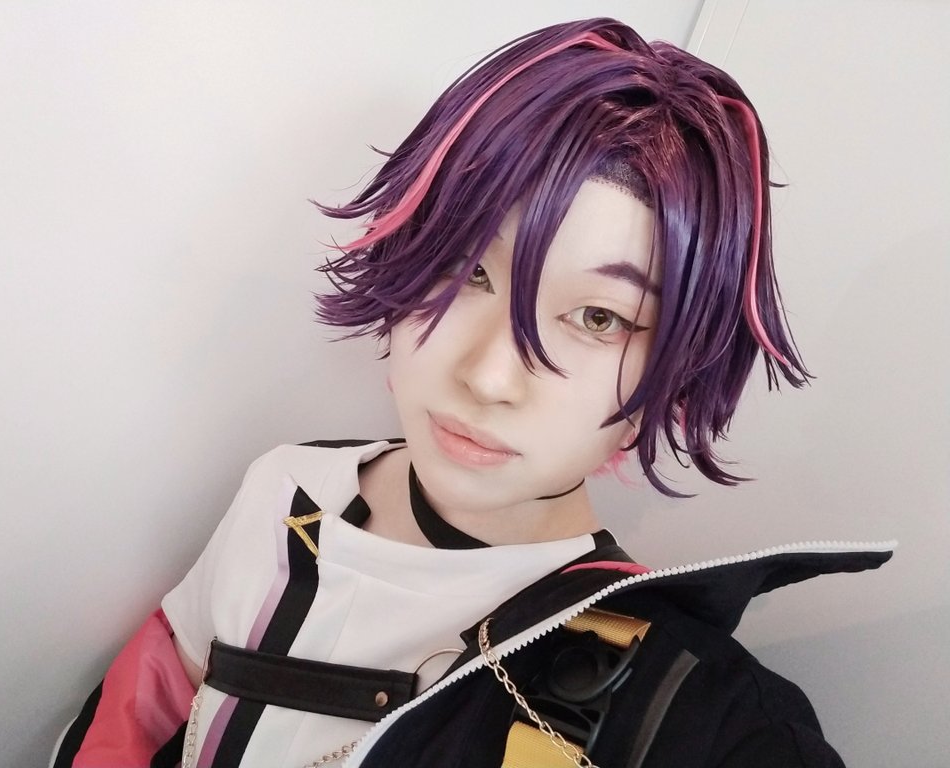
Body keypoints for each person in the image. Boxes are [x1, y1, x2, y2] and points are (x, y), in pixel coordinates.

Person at [52, 18, 892, 768]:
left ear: (679, 368)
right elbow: (154, 701)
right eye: (466, 269)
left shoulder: (691, 704)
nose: (488, 376)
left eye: (599, 317)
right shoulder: (285, 488)